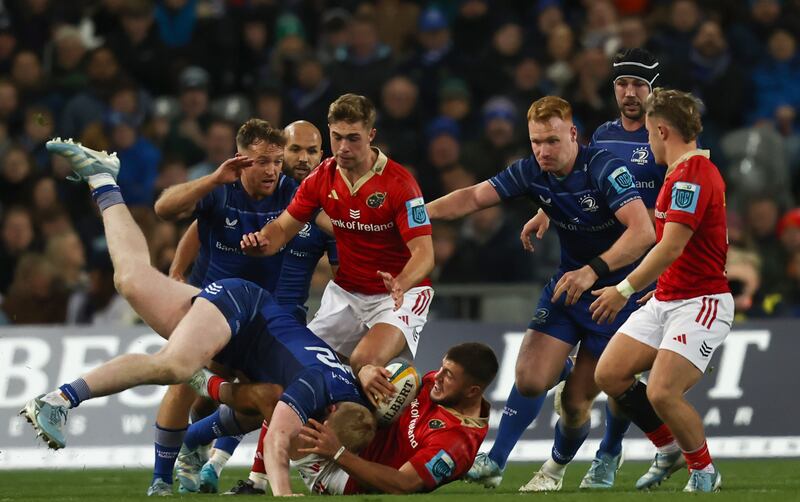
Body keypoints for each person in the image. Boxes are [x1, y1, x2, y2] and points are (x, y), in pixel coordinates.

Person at [19, 139, 373, 498]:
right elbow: (280, 436)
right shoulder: (318, 387)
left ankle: (102, 181)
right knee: (174, 367)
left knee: (130, 280)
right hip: (241, 310)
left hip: (251, 325)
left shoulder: (343, 390)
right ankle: (60, 399)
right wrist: (283, 493)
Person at [426, 95, 655, 492]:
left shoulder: (604, 168)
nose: (543, 151)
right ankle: (495, 461)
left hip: (617, 295)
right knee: (531, 380)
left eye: (551, 141)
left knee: (574, 405)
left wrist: (594, 270)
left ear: (572, 134)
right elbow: (473, 197)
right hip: (569, 286)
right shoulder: (531, 171)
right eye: (535, 142)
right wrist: (410, 214)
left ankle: (561, 466)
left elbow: (643, 233)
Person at [240, 93, 435, 406]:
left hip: (398, 295)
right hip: (346, 295)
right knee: (295, 373)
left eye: (353, 138)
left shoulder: (401, 184)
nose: (344, 147)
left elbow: (425, 253)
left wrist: (402, 282)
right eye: (337, 137)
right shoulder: (320, 178)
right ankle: (206, 442)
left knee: (364, 360)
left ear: (371, 135)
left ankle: (391, 423)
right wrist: (261, 241)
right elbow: (282, 228)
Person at [175, 120, 338, 494]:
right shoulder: (272, 195)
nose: (302, 158)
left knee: (276, 394)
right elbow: (203, 226)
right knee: (215, 395)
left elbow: (345, 258)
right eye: (295, 150)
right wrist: (177, 268)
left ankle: (245, 472)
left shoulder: (323, 208)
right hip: (242, 311)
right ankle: (199, 441)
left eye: (312, 151)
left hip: (286, 318)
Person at [148, 119, 300, 495]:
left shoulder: (290, 192)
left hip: (259, 314)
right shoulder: (221, 191)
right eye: (263, 161)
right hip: (214, 307)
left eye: (277, 161)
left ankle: (198, 444)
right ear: (241, 158)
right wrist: (212, 179)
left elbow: (327, 221)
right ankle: (160, 479)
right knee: (184, 380)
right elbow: (165, 208)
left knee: (259, 397)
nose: (272, 170)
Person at [591, 88, 732, 493]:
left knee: (662, 391)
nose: (647, 141)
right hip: (669, 296)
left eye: (650, 133)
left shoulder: (692, 176)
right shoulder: (680, 173)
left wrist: (624, 288)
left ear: (663, 130)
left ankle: (704, 471)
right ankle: (667, 446)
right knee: (611, 373)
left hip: (700, 302)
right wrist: (660, 287)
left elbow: (671, 245)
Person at [207, 343, 497, 495]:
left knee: (275, 396)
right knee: (297, 376)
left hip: (341, 473)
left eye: (449, 376)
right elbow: (399, 382)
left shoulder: (455, 444)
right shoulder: (439, 388)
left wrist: (338, 452)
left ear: (473, 391)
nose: (438, 377)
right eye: (442, 368)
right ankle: (202, 425)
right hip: (350, 434)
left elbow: (402, 485)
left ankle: (204, 389)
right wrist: (368, 370)